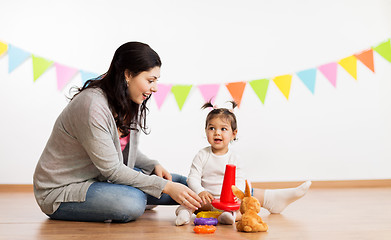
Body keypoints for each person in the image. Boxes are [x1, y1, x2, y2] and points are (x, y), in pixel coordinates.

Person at [33, 42, 202, 223]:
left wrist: (152, 165)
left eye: (156, 81)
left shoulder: (127, 100)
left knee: (183, 183)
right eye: (150, 80)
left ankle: (217, 206)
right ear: (128, 74)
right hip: (61, 190)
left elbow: (119, 150)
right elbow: (113, 169)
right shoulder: (92, 106)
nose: (155, 88)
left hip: (100, 178)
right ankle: (133, 195)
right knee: (132, 202)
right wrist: (164, 187)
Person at [175, 101, 312, 226]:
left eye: (223, 129)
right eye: (212, 128)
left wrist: (237, 194)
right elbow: (192, 177)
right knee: (188, 203)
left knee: (245, 207)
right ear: (206, 131)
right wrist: (200, 191)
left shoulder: (235, 158)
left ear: (233, 134)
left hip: (226, 201)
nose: (217, 133)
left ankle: (229, 216)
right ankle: (184, 214)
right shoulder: (202, 155)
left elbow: (239, 179)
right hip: (205, 201)